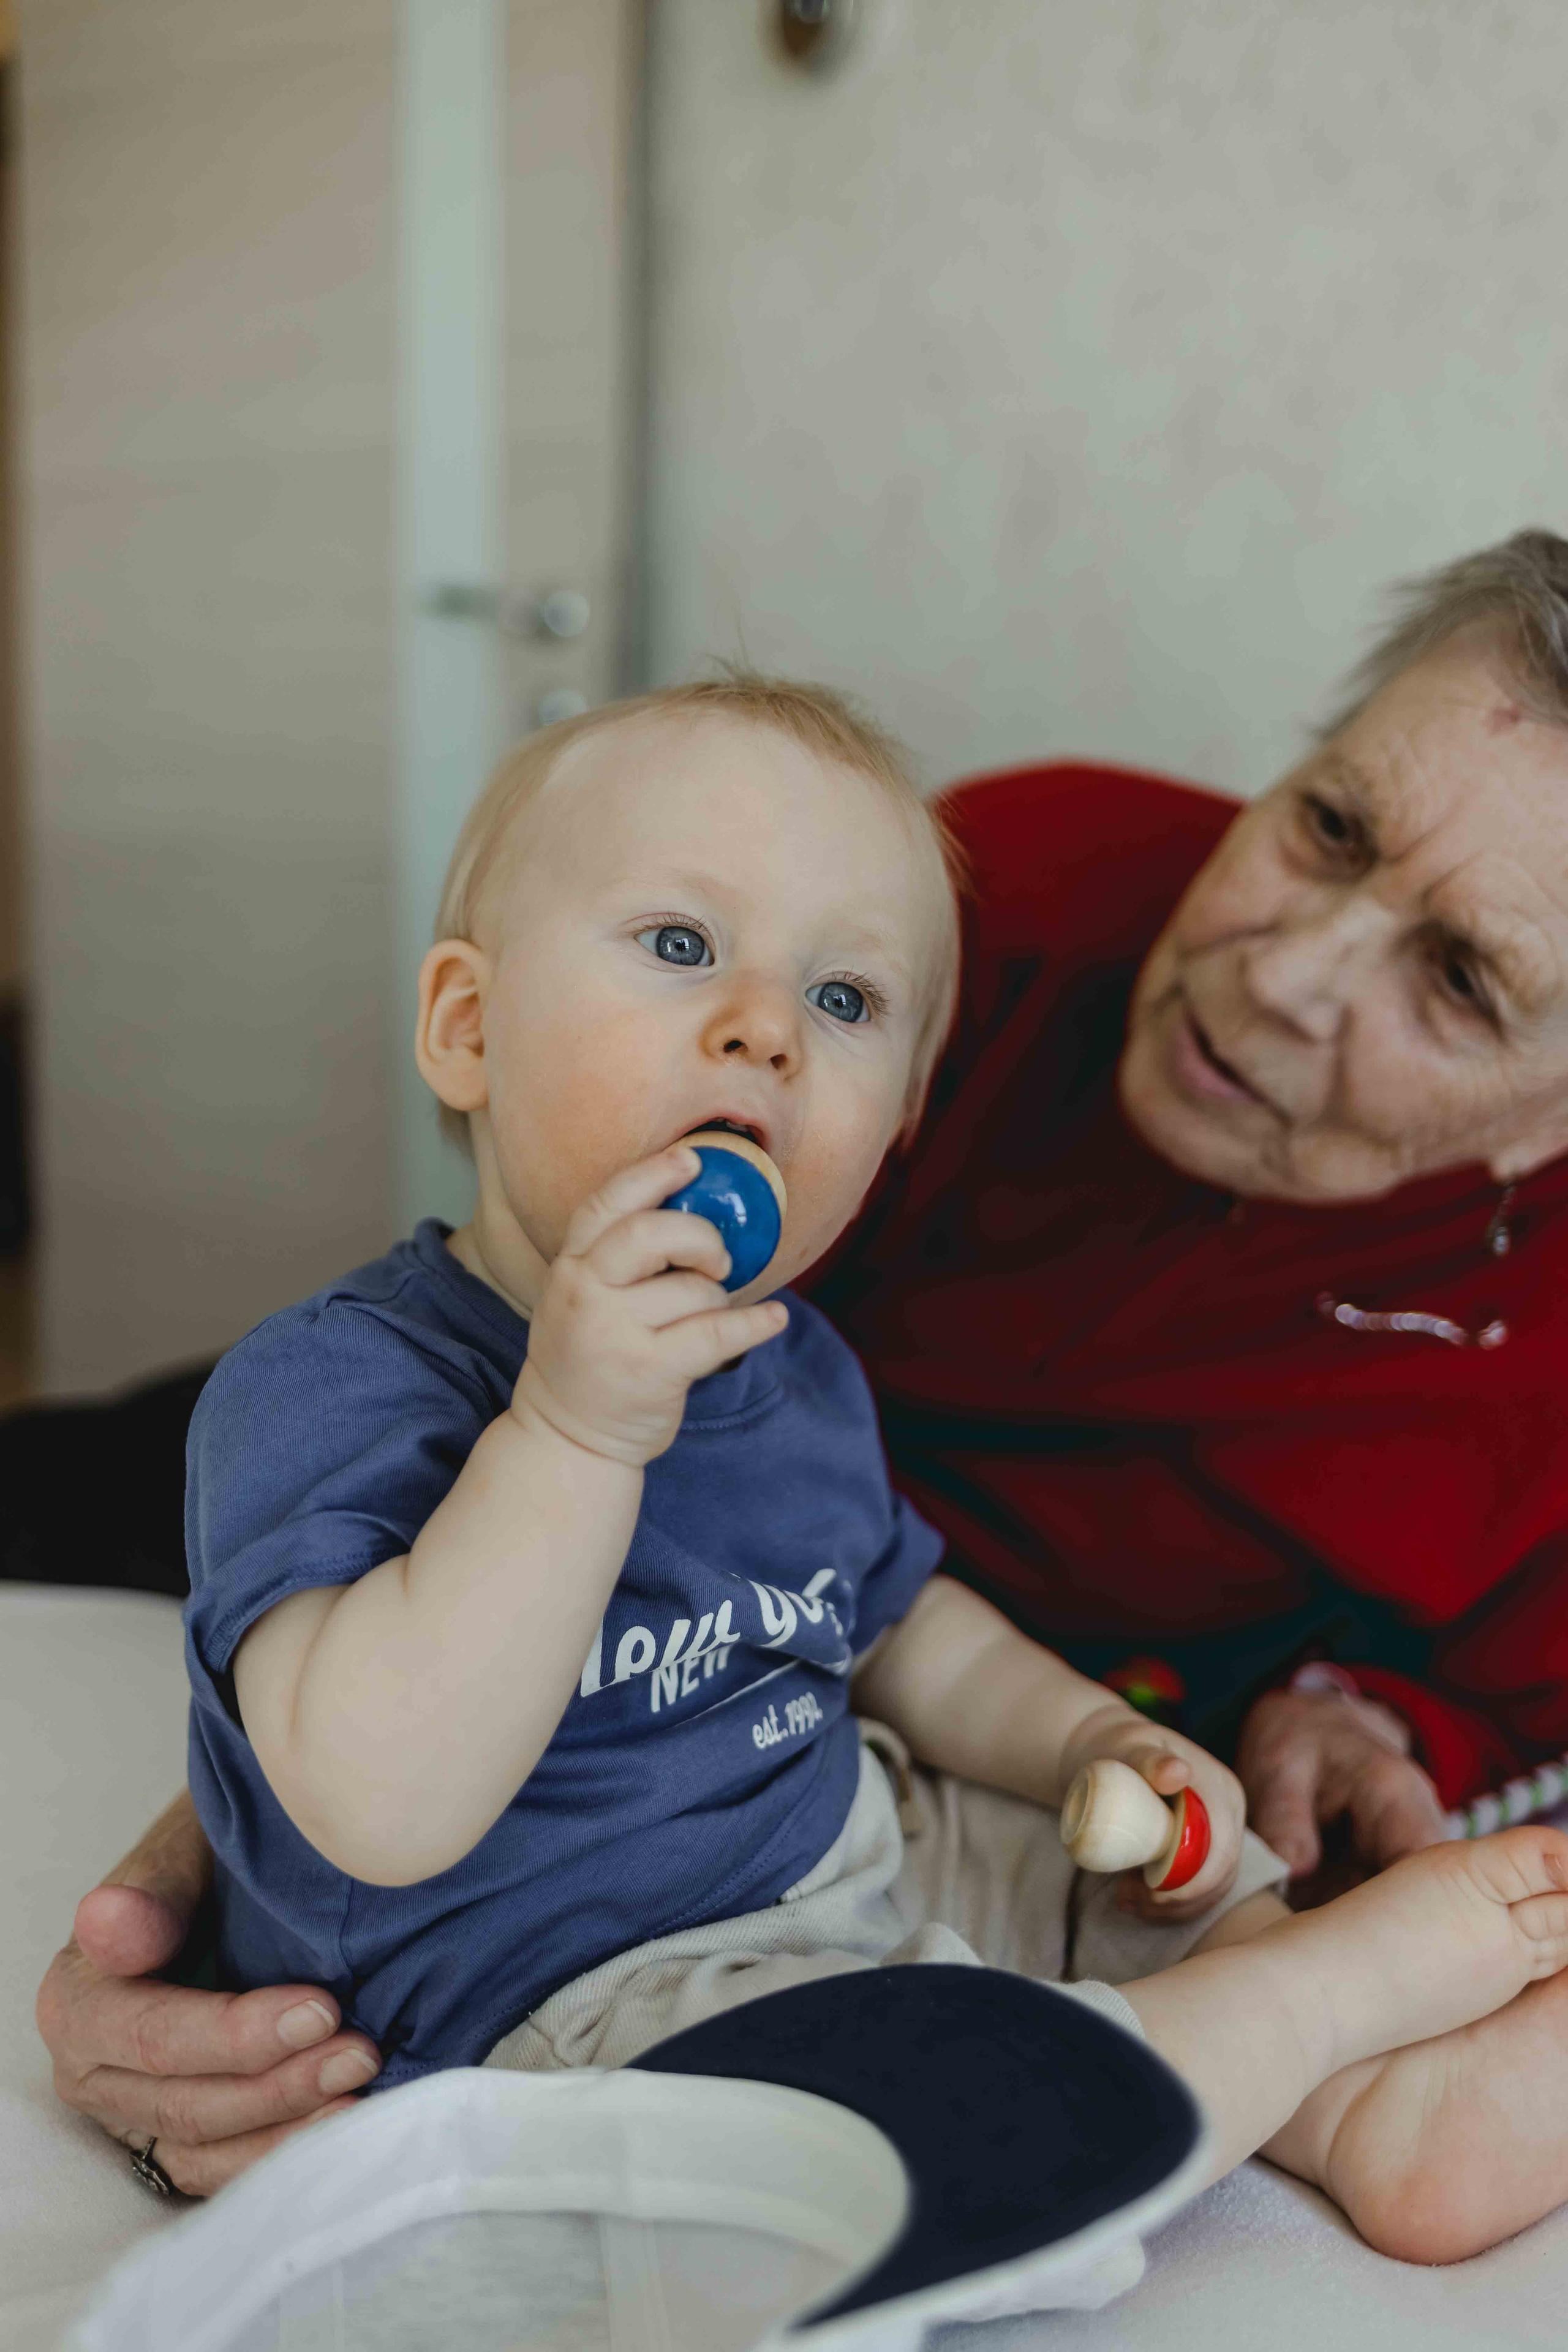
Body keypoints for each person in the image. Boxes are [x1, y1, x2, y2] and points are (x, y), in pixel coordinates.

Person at [33, 530, 1568, 2204]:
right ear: (464, 1027)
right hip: (549, 1812)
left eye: (1464, 979)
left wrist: (1110, 1748)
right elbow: (358, 1769)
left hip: (820, 1790)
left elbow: (896, 1612)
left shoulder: (807, 1374)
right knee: (847, 2111)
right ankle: (1281, 2020)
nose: (1285, 972)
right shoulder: (1023, 879)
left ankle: (1369, 2104)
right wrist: (231, 1828)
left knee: (1124, 1881)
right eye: (1330, 824)